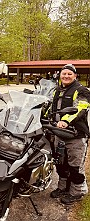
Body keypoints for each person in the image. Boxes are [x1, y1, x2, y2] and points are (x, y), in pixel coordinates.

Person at [49, 64, 90, 204]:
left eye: (69, 74)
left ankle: (77, 191)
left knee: (75, 166)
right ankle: (63, 187)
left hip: (76, 135)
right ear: (60, 75)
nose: (66, 76)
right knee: (60, 164)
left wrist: (65, 121)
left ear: (75, 76)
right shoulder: (57, 90)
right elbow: (50, 107)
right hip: (58, 133)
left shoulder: (82, 90)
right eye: (63, 73)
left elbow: (80, 107)